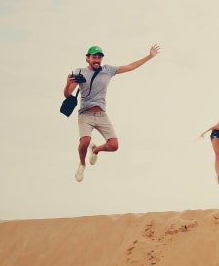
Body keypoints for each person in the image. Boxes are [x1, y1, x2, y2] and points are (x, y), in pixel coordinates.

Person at [63, 43, 160, 182]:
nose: (97, 60)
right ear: (87, 58)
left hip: (101, 114)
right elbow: (67, 95)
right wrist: (67, 83)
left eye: (99, 58)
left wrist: (149, 56)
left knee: (114, 146)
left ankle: (95, 150)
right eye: (94, 57)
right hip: (85, 114)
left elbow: (130, 66)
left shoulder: (108, 70)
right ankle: (82, 164)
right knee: (85, 141)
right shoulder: (79, 72)